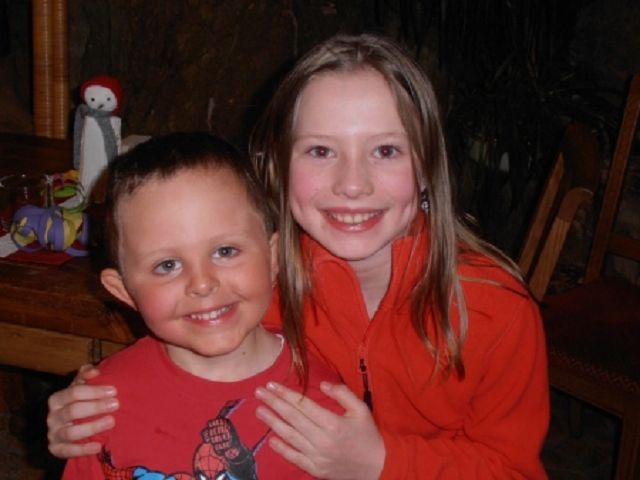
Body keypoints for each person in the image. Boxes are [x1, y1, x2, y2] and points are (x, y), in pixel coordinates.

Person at [48, 34, 549, 479]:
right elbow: (183, 334)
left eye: (386, 151)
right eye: (321, 151)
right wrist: (92, 404)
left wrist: (381, 464)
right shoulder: (257, 278)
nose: (352, 184)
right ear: (277, 164)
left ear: (427, 167)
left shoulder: (496, 309)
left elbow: (515, 471)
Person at [61, 132, 341, 479]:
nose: (203, 283)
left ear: (272, 258)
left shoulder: (323, 400)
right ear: (125, 291)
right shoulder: (100, 404)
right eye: (167, 265)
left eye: (225, 251)